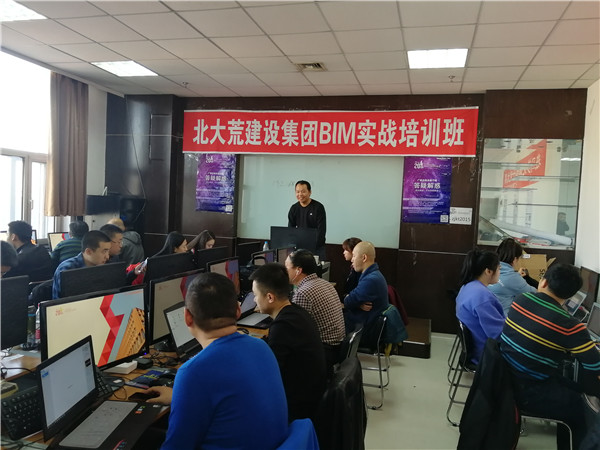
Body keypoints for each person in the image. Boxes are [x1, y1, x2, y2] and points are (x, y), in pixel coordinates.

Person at [143, 272, 289, 449]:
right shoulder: (261, 347)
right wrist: (180, 399)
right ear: (238, 311)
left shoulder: (193, 372)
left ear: (187, 317)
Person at [499, 263, 600, 450]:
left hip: (506, 381)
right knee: (585, 409)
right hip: (529, 391)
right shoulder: (569, 325)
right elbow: (595, 365)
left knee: (577, 388)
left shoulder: (521, 300)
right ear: (571, 295)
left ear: (543, 282)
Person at [249, 263, 327, 421]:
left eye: (255, 295)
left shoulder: (283, 326)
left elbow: (269, 374)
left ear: (270, 297)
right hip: (313, 394)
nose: (254, 300)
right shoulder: (296, 312)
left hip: (299, 406)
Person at [284, 249, 345, 374]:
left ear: (298, 270)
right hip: (337, 347)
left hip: (324, 351)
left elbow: (294, 331)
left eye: (286, 267)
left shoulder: (303, 293)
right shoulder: (325, 283)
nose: (284, 271)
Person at [455, 249, 504, 364]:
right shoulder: (482, 297)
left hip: (475, 350)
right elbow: (498, 335)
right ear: (488, 271)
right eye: (499, 269)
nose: (500, 272)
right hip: (485, 355)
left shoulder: (467, 286)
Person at [343, 241, 389, 334]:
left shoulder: (370, 280)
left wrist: (350, 299)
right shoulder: (374, 274)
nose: (352, 260)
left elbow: (348, 302)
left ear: (364, 258)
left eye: (354, 256)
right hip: (364, 322)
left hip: (362, 328)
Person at [52, 230, 111, 299]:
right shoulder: (67, 269)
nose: (107, 257)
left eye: (108, 251)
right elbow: (69, 300)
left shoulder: (101, 266)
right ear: (88, 252)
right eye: (104, 252)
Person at [488, 238, 537, 314]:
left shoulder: (488, 269)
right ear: (515, 259)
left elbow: (505, 282)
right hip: (501, 318)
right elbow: (535, 294)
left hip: (486, 314)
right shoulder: (513, 278)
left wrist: (517, 276)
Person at [288, 180, 326, 261]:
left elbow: (321, 230)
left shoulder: (318, 207)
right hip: (299, 248)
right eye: (297, 192)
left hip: (316, 248)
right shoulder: (294, 208)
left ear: (310, 192)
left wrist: (314, 246)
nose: (300, 194)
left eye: (303, 191)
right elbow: (290, 230)